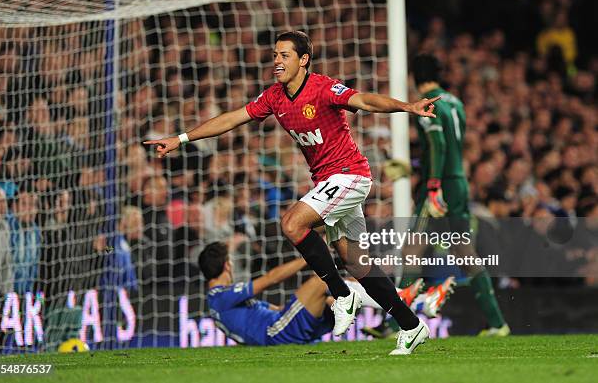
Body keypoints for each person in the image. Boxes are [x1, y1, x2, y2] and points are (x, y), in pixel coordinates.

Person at [144, 31, 440, 355]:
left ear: (303, 60)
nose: (277, 61)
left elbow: (365, 100)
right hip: (330, 182)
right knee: (357, 262)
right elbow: (233, 118)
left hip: (350, 175)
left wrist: (407, 107)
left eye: (284, 55)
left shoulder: (324, 88)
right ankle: (411, 325)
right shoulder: (274, 97)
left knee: (291, 224)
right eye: (274, 55)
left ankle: (342, 294)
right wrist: (181, 138)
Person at [375, 54, 509, 338]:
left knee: (412, 250)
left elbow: (438, 144)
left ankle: (393, 323)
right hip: (458, 182)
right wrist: (415, 167)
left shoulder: (429, 104)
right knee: (464, 251)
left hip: (440, 187)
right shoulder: (455, 102)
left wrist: (432, 184)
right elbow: (450, 144)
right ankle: (498, 323)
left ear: (414, 77)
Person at [198, 242, 453, 346]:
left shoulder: (219, 302)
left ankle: (420, 302)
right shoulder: (220, 296)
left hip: (280, 327)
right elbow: (270, 279)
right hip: (277, 332)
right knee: (320, 281)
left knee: (343, 288)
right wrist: (309, 257)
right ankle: (407, 299)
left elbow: (258, 316)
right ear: (226, 265)